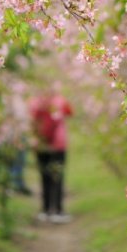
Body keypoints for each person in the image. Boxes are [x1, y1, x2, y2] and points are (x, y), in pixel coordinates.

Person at [29, 93, 73, 223]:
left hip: (41, 145)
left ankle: (45, 210)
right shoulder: (60, 101)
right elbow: (70, 112)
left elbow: (32, 120)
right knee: (57, 177)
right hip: (58, 145)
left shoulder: (34, 101)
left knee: (44, 177)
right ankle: (58, 211)